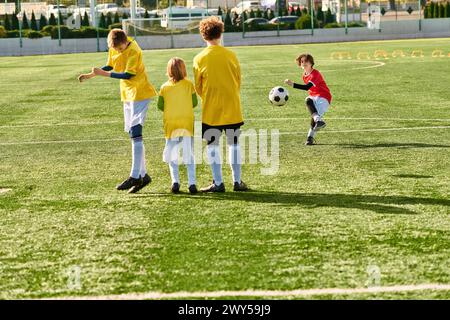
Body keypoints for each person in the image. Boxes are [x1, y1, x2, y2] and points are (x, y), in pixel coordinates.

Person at [78, 29, 157, 193]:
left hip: (140, 92)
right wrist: (92, 75)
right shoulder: (114, 46)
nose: (118, 51)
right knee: (131, 133)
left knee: (136, 131)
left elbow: (128, 75)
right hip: (127, 94)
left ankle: (135, 176)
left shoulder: (134, 50)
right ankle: (144, 175)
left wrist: (104, 74)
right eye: (115, 49)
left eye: (120, 49)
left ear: (125, 41)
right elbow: (111, 65)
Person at [193, 16, 248, 192]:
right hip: (232, 105)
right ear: (221, 32)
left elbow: (198, 86)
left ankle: (218, 182)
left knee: (212, 145)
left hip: (211, 108)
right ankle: (237, 181)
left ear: (203, 36)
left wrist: (209, 97)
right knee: (234, 143)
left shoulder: (199, 58)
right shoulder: (231, 55)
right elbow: (238, 80)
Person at [158, 57, 198, 194]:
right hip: (186, 123)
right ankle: (192, 183)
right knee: (189, 153)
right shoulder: (189, 85)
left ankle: (175, 182)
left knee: (172, 154)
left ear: (168, 71)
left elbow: (160, 106)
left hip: (171, 124)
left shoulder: (164, 87)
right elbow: (194, 103)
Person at [284, 53, 332, 145]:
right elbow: (309, 90)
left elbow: (307, 87)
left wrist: (292, 84)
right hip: (314, 97)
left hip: (323, 97)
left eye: (306, 61)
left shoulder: (315, 73)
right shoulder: (304, 75)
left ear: (311, 63)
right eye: (302, 61)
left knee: (315, 117)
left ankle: (310, 137)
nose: (303, 63)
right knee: (310, 104)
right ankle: (310, 137)